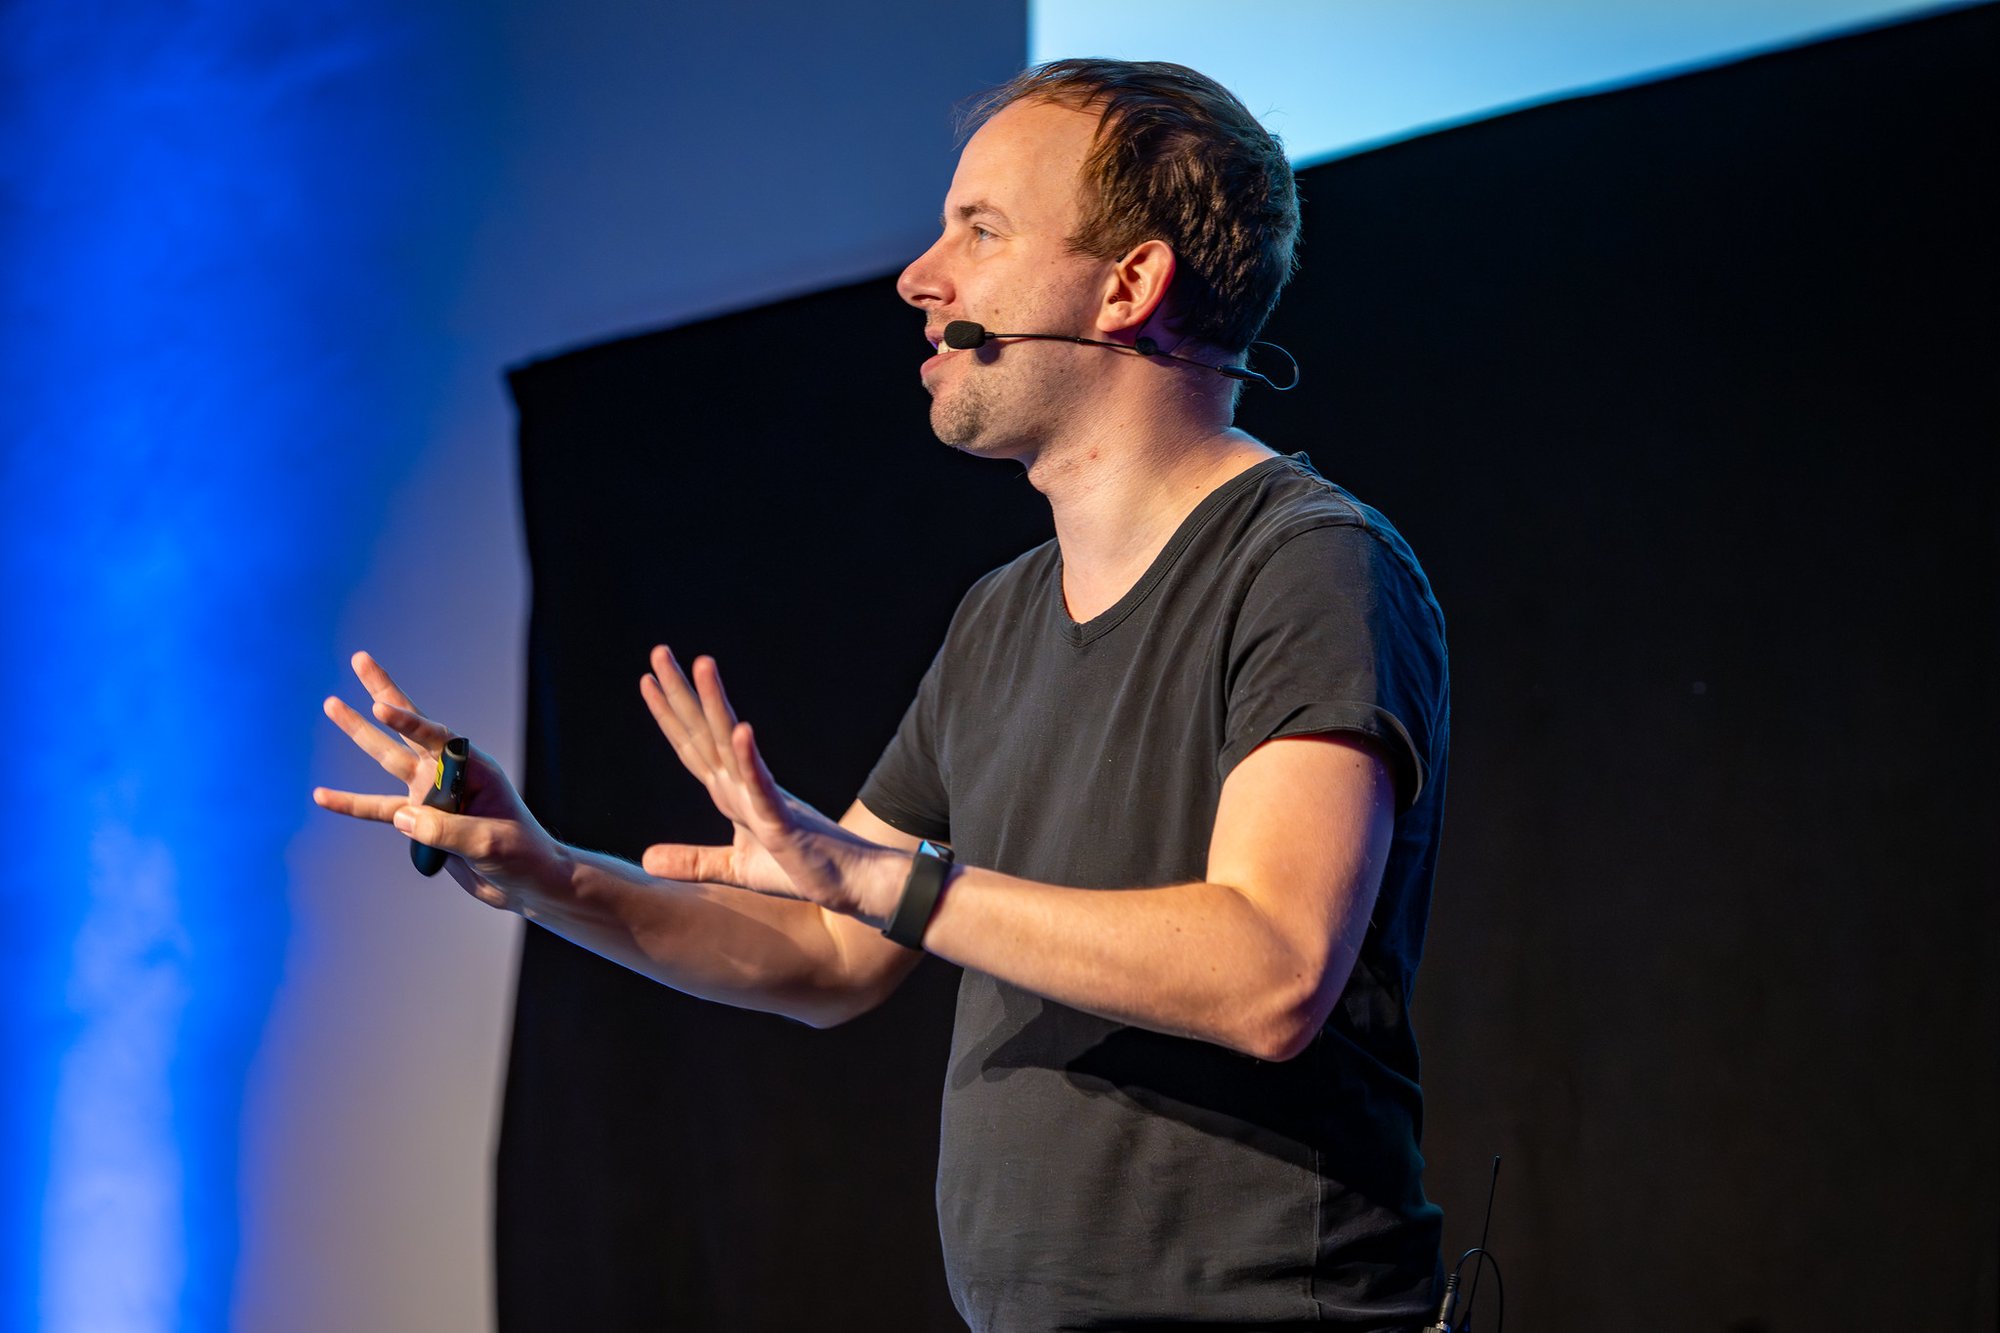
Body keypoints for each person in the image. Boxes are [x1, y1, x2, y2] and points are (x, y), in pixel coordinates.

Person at [317, 59, 1450, 1331]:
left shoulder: (1307, 563)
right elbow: (834, 946)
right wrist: (543, 871)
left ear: (1127, 286)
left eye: (980, 230)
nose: (921, 277)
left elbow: (1269, 969)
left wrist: (892, 883)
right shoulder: (1001, 619)